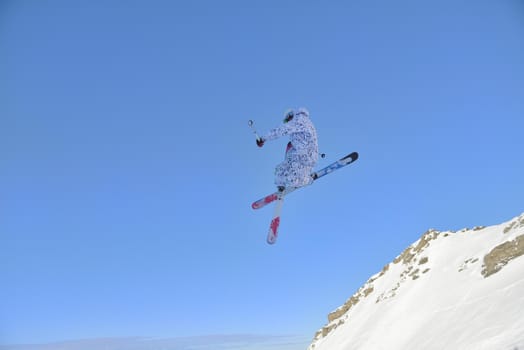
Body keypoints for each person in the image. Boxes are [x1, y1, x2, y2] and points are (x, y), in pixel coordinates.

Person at [256, 107, 319, 192]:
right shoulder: (301, 123)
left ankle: (308, 179)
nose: (287, 123)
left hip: (305, 156)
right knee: (280, 169)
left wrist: (263, 138)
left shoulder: (299, 120)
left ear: (290, 116)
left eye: (286, 121)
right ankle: (280, 185)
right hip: (299, 155)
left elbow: (281, 130)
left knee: (292, 179)